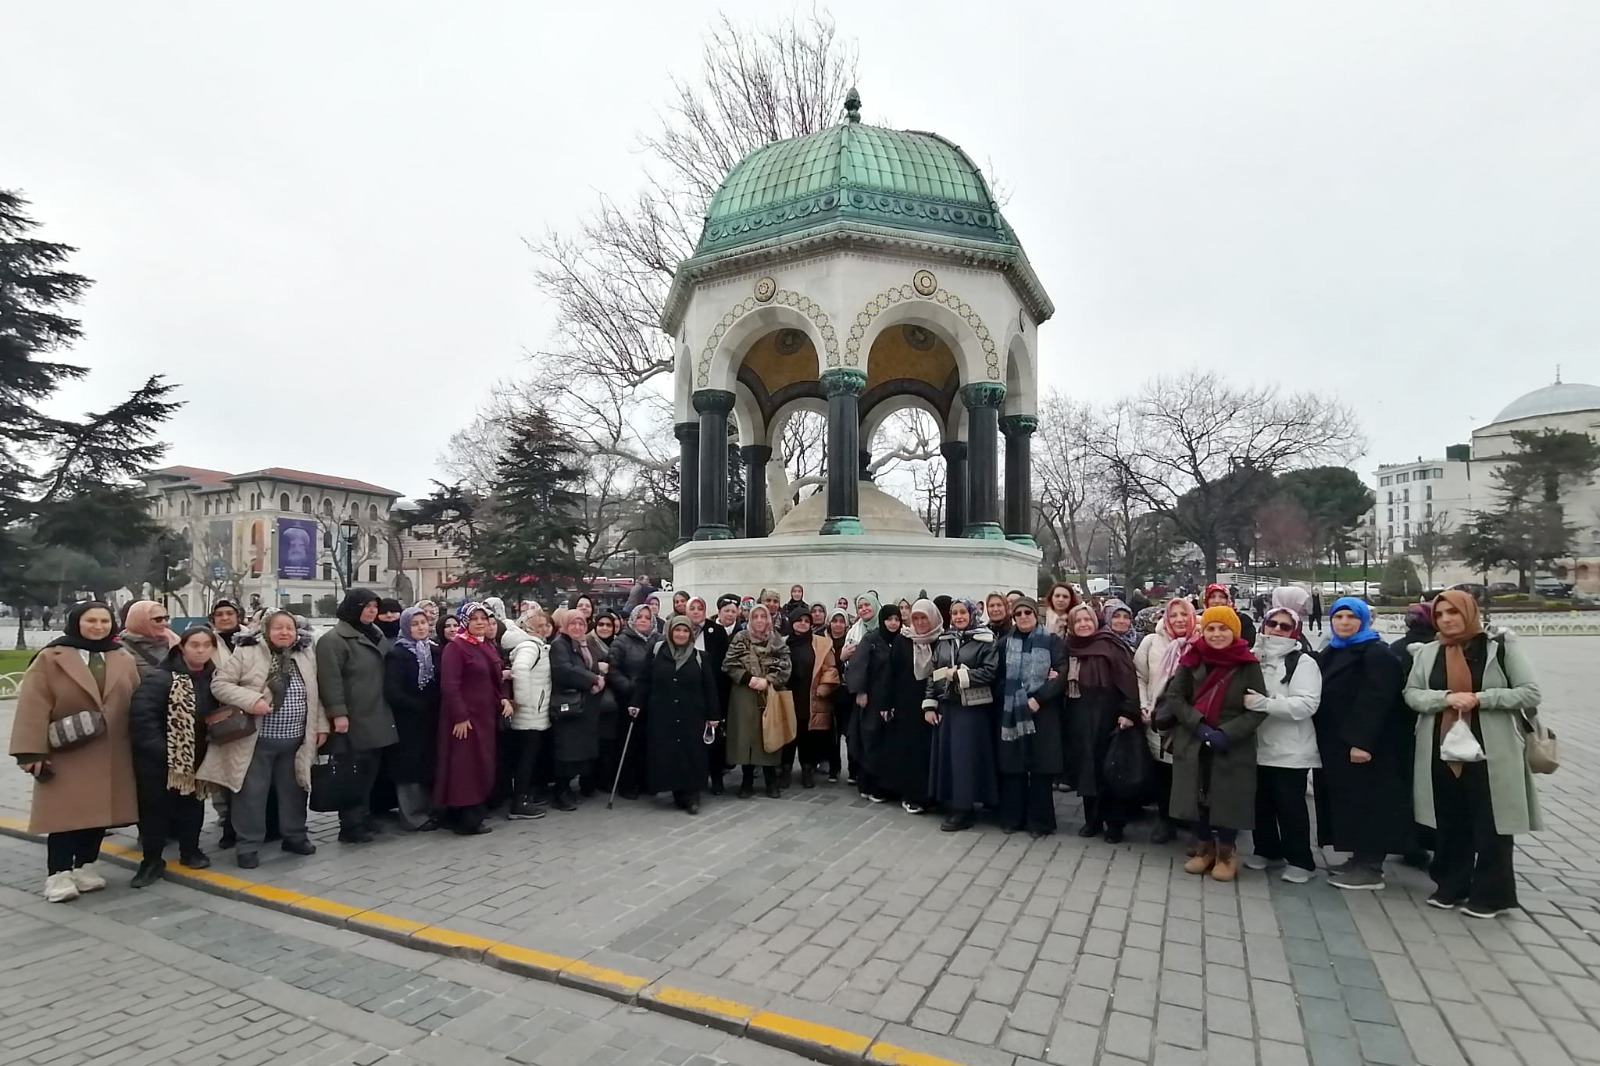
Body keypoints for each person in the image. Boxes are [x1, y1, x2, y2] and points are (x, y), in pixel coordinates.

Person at [1404, 591, 1542, 918]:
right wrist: (1447, 699)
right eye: (1440, 614)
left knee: (1492, 823)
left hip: (1491, 751)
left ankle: (1492, 895)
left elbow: (1529, 692)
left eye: (1454, 612)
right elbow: (1412, 693)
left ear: (1469, 612)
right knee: (1451, 819)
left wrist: (1481, 698)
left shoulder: (1499, 648)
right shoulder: (1428, 653)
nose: (1447, 619)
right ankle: (1451, 885)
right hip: (1442, 747)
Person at [10, 602, 140, 902]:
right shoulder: (51, 657)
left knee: (98, 814)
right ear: (76, 622)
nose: (98, 626)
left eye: (104, 621)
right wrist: (30, 752)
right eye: (91, 620)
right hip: (67, 750)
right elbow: (33, 705)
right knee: (64, 816)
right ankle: (57, 874)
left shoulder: (122, 657)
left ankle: (85, 865)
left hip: (112, 750)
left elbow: (136, 699)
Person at [201, 609, 322, 869]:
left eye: (289, 628)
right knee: (251, 794)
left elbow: (316, 693)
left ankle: (294, 836)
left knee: (295, 790)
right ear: (266, 629)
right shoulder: (248, 651)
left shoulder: (305, 654)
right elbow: (220, 684)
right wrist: (252, 700)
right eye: (278, 627)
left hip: (296, 739)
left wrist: (320, 726)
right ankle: (248, 845)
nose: (284, 632)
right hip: (256, 739)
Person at [1315, 597, 1412, 891]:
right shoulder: (1332, 651)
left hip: (1367, 746)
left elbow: (1377, 701)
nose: (1344, 622)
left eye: (1351, 617)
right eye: (1338, 617)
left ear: (1364, 620)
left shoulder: (1376, 654)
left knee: (1370, 803)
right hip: (1336, 743)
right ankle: (1357, 858)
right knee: (1349, 802)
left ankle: (1371, 867)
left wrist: (1361, 742)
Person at [1164, 606, 1267, 881]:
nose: (1217, 634)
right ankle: (1203, 848)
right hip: (1194, 735)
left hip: (1232, 740)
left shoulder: (1248, 663)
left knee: (1228, 797)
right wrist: (1197, 725)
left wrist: (1227, 733)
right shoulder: (1192, 658)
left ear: (1234, 631)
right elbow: (1175, 697)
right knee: (1195, 794)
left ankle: (1226, 853)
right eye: (1211, 628)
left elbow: (1258, 708)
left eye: (1223, 628)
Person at [128, 626, 218, 886]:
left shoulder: (215, 678)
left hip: (198, 756)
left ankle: (190, 851)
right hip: (159, 760)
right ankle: (151, 861)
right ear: (182, 648)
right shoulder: (161, 678)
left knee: (192, 806)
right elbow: (142, 719)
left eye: (206, 645)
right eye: (194, 645)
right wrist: (167, 754)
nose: (200, 650)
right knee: (155, 812)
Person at [1243, 607, 1322, 883]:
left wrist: (1267, 704)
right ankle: (1266, 848)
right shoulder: (1253, 657)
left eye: (1285, 626)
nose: (1277, 629)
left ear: (1295, 631)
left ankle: (1301, 859)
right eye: (1272, 623)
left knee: (1290, 806)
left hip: (1290, 748)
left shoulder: (1303, 663)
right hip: (1256, 745)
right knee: (1259, 803)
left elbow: (1308, 703)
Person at [314, 589, 398, 844]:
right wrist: (338, 713)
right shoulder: (334, 640)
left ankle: (363, 815)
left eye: (375, 606)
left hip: (378, 712)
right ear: (353, 607)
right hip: (354, 716)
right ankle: (350, 824)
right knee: (352, 771)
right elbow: (331, 680)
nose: (372, 611)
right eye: (367, 606)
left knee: (370, 770)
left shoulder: (375, 633)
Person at [1060, 603, 1141, 841]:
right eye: (1078, 621)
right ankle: (1092, 820)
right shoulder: (1070, 646)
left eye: (1087, 620)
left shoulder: (1110, 645)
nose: (1084, 625)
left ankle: (1115, 824)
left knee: (1109, 771)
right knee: (1087, 769)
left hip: (1108, 715)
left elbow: (1128, 681)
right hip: (1079, 715)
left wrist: (1129, 712)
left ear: (1096, 622)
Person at [630, 615, 720, 814]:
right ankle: (677, 792)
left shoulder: (700, 657)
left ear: (691, 634)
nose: (681, 634)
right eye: (677, 630)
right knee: (669, 753)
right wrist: (636, 702)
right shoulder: (656, 652)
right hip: (663, 713)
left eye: (685, 631)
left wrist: (713, 715)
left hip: (692, 714)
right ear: (670, 631)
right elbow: (644, 680)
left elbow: (709, 687)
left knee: (691, 753)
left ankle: (692, 794)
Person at [925, 599, 1001, 832]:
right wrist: (929, 705)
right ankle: (952, 801)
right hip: (948, 708)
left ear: (972, 614)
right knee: (950, 758)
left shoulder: (985, 640)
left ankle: (964, 809)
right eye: (954, 613)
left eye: (962, 612)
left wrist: (959, 675)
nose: (958, 617)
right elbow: (934, 673)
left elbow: (990, 671)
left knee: (965, 760)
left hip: (972, 710)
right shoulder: (945, 641)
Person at [435, 603, 508, 834]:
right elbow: (450, 685)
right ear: (465, 621)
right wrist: (460, 716)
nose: (480, 622)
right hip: (465, 719)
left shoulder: (485, 645)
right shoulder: (457, 647)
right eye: (474, 618)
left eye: (483, 618)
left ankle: (475, 810)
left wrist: (503, 699)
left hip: (484, 716)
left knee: (481, 764)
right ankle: (465, 818)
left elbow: (494, 677)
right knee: (465, 767)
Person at [996, 597, 1066, 837]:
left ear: (1036, 615)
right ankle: (1013, 818)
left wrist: (1040, 697)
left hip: (1043, 711)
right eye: (1018, 614)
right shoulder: (1005, 643)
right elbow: (998, 676)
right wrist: (1015, 694)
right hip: (1012, 711)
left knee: (1040, 768)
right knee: (1013, 767)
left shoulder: (1051, 641)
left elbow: (1061, 673)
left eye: (1028, 612)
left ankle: (1039, 821)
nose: (1023, 617)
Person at [1134, 598, 1196, 844]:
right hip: (1158, 716)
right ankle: (1165, 820)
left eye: (1184, 614)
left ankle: (1190, 819)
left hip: (1188, 719)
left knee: (1189, 771)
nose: (1179, 619)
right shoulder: (1152, 642)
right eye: (1174, 615)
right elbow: (1139, 675)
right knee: (1163, 772)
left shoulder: (1200, 641)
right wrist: (1143, 704)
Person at [855, 602, 926, 810]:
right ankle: (869, 784)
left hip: (897, 700)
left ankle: (889, 786)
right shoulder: (872, 639)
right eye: (889, 619)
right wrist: (861, 691)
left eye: (896, 619)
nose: (893, 623)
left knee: (890, 744)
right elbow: (860, 666)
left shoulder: (904, 640)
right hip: (875, 699)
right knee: (872, 740)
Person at [724, 604, 792, 798]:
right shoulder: (740, 638)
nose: (760, 620)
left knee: (768, 734)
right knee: (746, 736)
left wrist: (769, 680)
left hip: (768, 694)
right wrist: (748, 678)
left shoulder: (776, 639)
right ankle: (746, 781)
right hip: (744, 695)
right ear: (750, 620)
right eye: (756, 617)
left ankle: (771, 780)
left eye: (763, 616)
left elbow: (786, 665)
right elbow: (728, 664)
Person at [383, 607, 441, 831]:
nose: (420, 628)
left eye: (423, 623)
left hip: (431, 717)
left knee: (428, 763)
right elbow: (392, 690)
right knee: (409, 766)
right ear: (406, 627)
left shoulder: (434, 650)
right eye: (415, 624)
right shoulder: (398, 654)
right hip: (408, 719)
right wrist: (416, 705)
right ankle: (412, 815)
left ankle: (429, 810)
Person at [548, 607, 605, 810]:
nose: (578, 627)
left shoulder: (582, 644)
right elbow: (564, 670)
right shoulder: (559, 644)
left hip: (582, 705)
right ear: (564, 625)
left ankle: (566, 790)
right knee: (566, 751)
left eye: (581, 623)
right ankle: (560, 792)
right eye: (573, 623)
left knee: (576, 750)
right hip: (567, 704)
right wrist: (593, 679)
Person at [500, 609, 553, 817]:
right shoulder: (531, 646)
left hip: (532, 712)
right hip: (530, 713)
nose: (545, 629)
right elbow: (520, 670)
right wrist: (524, 702)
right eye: (540, 625)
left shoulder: (534, 645)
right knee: (526, 758)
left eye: (546, 625)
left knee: (527, 757)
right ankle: (520, 801)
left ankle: (523, 797)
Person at [605, 604, 656, 801]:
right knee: (629, 743)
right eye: (640, 617)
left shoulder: (656, 640)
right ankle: (627, 783)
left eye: (647, 617)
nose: (643, 620)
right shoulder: (622, 642)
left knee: (646, 742)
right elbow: (613, 669)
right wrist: (629, 688)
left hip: (650, 699)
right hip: (629, 699)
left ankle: (645, 781)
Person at [786, 612, 841, 789]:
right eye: (799, 620)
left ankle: (807, 769)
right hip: (788, 695)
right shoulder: (783, 642)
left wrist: (824, 687)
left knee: (807, 734)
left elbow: (830, 668)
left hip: (810, 695)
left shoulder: (821, 643)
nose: (803, 624)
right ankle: (785, 769)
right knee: (787, 733)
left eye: (806, 621)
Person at [703, 597, 739, 794]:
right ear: (719, 612)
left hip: (726, 688)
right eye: (726, 610)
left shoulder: (740, 632)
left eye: (733, 611)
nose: (730, 614)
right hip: (705, 687)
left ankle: (720, 771)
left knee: (719, 733)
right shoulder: (709, 630)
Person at [120, 600, 179, 679]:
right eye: (158, 619)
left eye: (166, 618)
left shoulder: (173, 641)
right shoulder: (122, 649)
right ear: (140, 621)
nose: (165, 623)